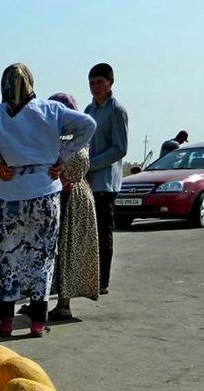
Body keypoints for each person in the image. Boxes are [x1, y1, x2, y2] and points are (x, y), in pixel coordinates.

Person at [0, 63, 96, 338]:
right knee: (41, 257)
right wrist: (63, 157)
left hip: (7, 194)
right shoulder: (51, 110)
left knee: (5, 259)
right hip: (44, 192)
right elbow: (88, 125)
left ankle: (6, 323)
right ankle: (37, 322)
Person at [46, 92, 100, 322]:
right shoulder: (55, 136)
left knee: (67, 249)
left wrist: (61, 179)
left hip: (72, 198)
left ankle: (64, 304)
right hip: (60, 194)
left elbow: (75, 169)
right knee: (48, 250)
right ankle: (40, 299)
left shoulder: (76, 138)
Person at [84, 62, 129, 295]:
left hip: (105, 182)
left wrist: (92, 164)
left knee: (103, 231)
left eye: (100, 82)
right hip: (87, 181)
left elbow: (120, 148)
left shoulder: (116, 111)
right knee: (88, 233)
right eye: (91, 83)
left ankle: (103, 280)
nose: (95, 87)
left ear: (111, 82)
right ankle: (87, 276)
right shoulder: (88, 111)